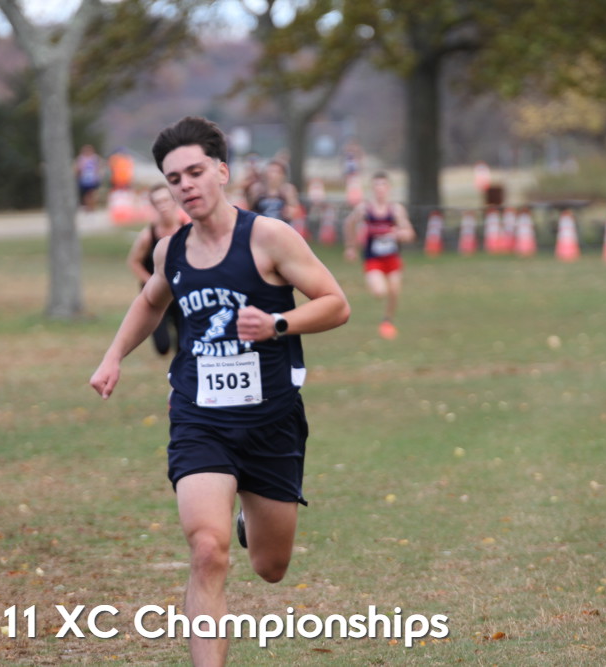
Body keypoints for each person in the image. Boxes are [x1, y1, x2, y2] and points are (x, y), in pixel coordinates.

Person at [89, 116, 350, 667]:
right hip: (199, 418)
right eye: (174, 178)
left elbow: (336, 304)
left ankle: (249, 518)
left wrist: (278, 324)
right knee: (208, 551)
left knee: (271, 567)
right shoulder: (172, 251)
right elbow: (150, 301)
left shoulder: (269, 238)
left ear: (222, 172)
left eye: (195, 171)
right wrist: (113, 357)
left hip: (271, 420)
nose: (185, 185)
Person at [343, 171, 415, 340]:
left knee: (394, 291)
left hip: (392, 258)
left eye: (383, 185)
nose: (380, 189)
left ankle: (387, 321)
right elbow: (349, 223)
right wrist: (351, 247)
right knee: (380, 292)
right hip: (373, 258)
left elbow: (410, 233)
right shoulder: (364, 209)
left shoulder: (396, 210)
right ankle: (374, 287)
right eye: (376, 185)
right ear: (372, 188)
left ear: (389, 188)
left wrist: (399, 234)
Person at [126, 183, 187, 356]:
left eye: (165, 200)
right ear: (153, 206)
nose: (163, 205)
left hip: (180, 291)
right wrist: (151, 281)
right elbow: (133, 262)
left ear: (174, 201)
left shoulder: (188, 230)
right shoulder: (148, 235)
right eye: (158, 202)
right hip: (155, 292)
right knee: (162, 346)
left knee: (183, 345)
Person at [246, 159, 301, 224]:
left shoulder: (287, 189)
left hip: (281, 225)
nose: (272, 175)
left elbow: (292, 213)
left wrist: (289, 202)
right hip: (261, 225)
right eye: (270, 171)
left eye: (276, 172)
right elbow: (249, 209)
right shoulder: (257, 189)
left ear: (282, 175)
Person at [74, 144, 103, 211]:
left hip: (93, 179)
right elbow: (78, 169)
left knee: (92, 193)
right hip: (84, 180)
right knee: (86, 194)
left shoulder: (95, 158)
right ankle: (88, 207)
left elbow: (99, 168)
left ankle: (92, 206)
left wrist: (98, 176)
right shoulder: (81, 158)